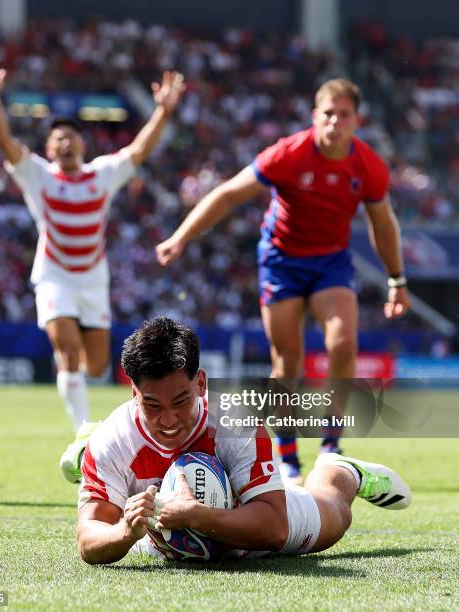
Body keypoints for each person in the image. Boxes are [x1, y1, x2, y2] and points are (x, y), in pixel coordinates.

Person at [155, 78, 412, 483]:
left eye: (344, 115)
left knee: (343, 343)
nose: (335, 121)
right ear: (315, 117)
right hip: (281, 262)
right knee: (286, 361)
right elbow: (227, 194)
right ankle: (288, 455)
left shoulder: (368, 166)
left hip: (331, 263)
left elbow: (384, 224)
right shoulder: (288, 154)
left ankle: (331, 444)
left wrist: (397, 279)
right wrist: (180, 237)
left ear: (356, 121)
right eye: (328, 113)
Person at [74, 316, 411, 564]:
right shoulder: (111, 441)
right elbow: (88, 539)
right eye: (151, 405)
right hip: (165, 540)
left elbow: (275, 527)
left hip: (251, 528)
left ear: (201, 384)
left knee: (337, 515)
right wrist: (124, 531)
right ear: (134, 392)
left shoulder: (236, 420)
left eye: (180, 401)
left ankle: (341, 470)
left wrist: (198, 517)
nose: (168, 420)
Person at [0, 54, 185, 430]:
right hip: (54, 274)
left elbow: (139, 150)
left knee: (97, 365)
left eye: (72, 136)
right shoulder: (38, 176)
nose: (66, 141)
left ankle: (83, 413)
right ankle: (82, 432)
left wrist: (163, 112)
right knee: (68, 352)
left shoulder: (102, 174)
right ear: (49, 148)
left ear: (82, 144)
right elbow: (3, 141)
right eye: (58, 137)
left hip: (93, 278)